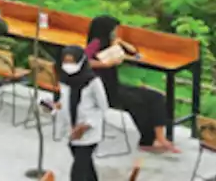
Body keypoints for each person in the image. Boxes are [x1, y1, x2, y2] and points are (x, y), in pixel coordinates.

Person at [85, 15, 179, 153]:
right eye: (113, 30)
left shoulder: (110, 42)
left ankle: (160, 138)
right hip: (103, 89)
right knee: (137, 102)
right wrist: (105, 64)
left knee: (156, 97)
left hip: (114, 85)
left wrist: (120, 42)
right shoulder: (96, 43)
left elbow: (134, 52)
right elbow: (83, 61)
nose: (115, 32)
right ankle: (147, 140)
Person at [60, 45, 108, 181]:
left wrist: (86, 125)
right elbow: (62, 101)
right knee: (86, 166)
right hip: (70, 130)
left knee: (77, 173)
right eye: (66, 61)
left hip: (88, 133)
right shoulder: (64, 79)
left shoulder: (93, 82)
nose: (69, 65)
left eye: (72, 61)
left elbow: (103, 107)